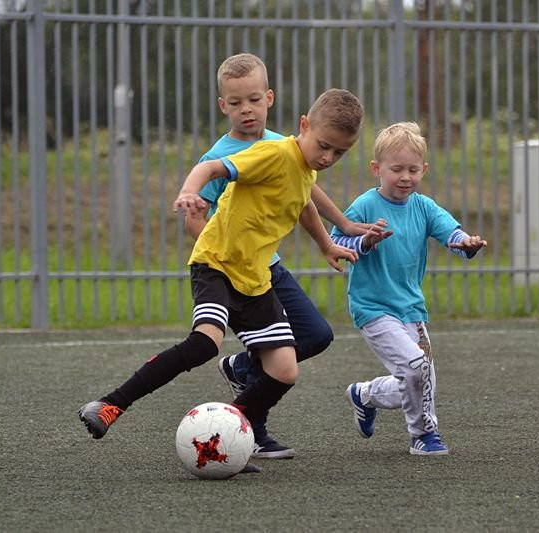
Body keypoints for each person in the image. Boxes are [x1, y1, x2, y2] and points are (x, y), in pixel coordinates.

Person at [78, 89, 365, 466]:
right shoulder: (274, 153)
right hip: (216, 264)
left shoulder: (305, 169)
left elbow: (304, 205)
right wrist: (189, 191)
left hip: (255, 278)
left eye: (339, 153)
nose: (327, 157)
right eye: (324, 146)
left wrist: (327, 244)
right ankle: (110, 404)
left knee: (284, 370)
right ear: (304, 125)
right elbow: (211, 168)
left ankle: (228, 434)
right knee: (204, 343)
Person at [184, 53, 373, 460]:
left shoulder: (283, 145)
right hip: (233, 272)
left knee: (316, 335)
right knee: (277, 359)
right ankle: (252, 428)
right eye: (236, 103)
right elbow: (195, 221)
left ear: (269, 98)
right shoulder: (219, 157)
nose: (246, 109)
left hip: (268, 267)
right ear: (223, 105)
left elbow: (306, 193)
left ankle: (242, 370)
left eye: (254, 99)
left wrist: (336, 232)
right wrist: (224, 256)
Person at [332, 122, 487, 455]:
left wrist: (467, 243)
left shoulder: (424, 206)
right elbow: (336, 242)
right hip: (373, 308)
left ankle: (365, 395)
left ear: (424, 170)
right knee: (417, 367)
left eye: (413, 170)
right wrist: (365, 241)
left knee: (421, 376)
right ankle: (423, 435)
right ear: (376, 169)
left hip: (411, 309)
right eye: (396, 169)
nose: (405, 177)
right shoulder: (364, 206)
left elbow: (451, 233)